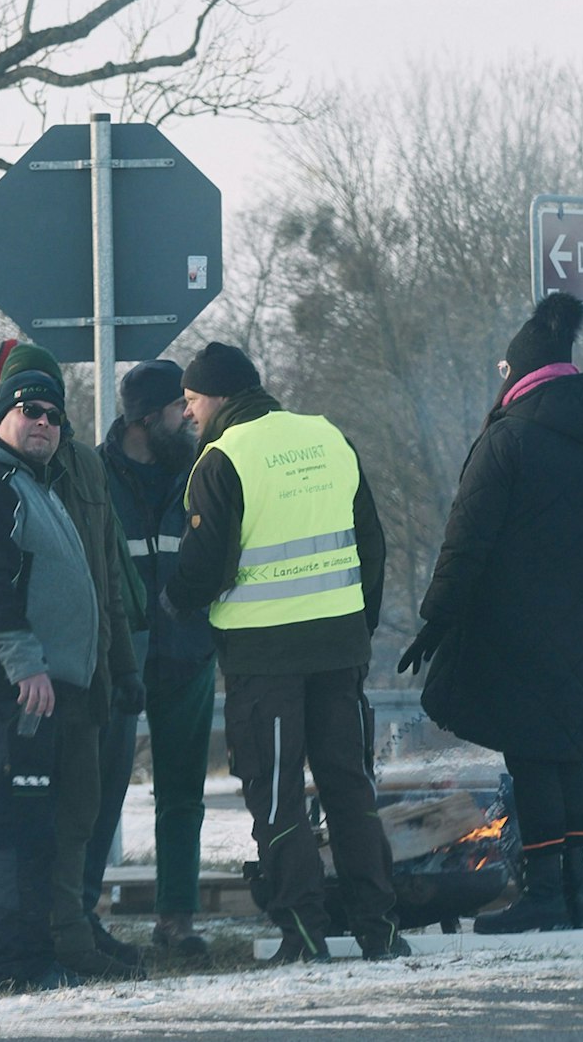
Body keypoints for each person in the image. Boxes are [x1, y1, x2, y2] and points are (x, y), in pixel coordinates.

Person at [163, 341, 409, 963]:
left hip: (263, 658)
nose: (188, 413)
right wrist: (359, 625)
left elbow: (206, 565)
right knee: (349, 787)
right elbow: (371, 544)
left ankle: (302, 931)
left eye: (191, 400)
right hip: (340, 649)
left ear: (218, 395)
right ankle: (379, 929)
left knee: (277, 795)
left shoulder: (223, 457)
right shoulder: (330, 438)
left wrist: (171, 602)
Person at [402, 292, 583, 933]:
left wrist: (437, 617)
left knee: (533, 755)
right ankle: (578, 895)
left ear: (519, 374)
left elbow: (465, 538)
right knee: (565, 754)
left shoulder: (509, 441)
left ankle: (543, 897)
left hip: (518, 627)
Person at [0, 351, 116, 992]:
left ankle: (10, 963)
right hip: (2, 688)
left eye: (54, 416)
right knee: (18, 831)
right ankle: (20, 967)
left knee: (15, 829)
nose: (43, 423)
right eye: (28, 410)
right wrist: (25, 666)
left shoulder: (31, 486)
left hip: (33, 687)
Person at [101, 359, 218, 958]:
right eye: (181, 410)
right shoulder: (93, 478)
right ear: (149, 419)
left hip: (189, 653)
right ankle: (80, 916)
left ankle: (178, 918)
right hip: (116, 656)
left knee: (182, 791)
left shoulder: (199, 473)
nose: (191, 420)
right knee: (99, 786)